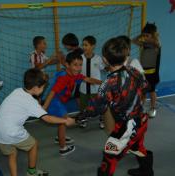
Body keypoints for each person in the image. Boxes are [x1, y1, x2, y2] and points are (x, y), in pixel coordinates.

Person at [78, 37, 153, 176]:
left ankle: (145, 171)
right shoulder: (134, 71)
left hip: (128, 125)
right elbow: (145, 87)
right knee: (137, 146)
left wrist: (81, 116)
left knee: (109, 155)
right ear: (126, 57)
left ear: (105, 60)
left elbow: (97, 107)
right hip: (142, 118)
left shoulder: (108, 83)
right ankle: (146, 171)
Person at [0, 68, 75, 176]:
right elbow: (47, 118)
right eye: (43, 87)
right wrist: (65, 120)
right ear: (35, 88)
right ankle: (32, 172)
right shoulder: (31, 102)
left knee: (12, 154)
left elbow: (35, 106)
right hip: (10, 131)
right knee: (33, 145)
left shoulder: (17, 91)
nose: (44, 89)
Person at [43, 50, 102, 156]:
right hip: (55, 102)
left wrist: (103, 83)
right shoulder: (63, 78)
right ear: (67, 65)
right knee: (64, 121)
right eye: (75, 65)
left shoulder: (75, 75)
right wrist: (44, 108)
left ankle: (60, 137)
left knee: (62, 122)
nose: (78, 68)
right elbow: (52, 92)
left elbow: (88, 79)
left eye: (80, 65)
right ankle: (63, 148)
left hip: (61, 101)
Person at [132, 22, 161, 118]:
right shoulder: (144, 44)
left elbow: (156, 41)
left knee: (152, 91)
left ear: (153, 35)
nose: (145, 37)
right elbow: (134, 40)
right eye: (144, 35)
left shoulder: (156, 45)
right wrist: (142, 35)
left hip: (152, 74)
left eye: (147, 35)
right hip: (144, 73)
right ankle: (141, 108)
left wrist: (153, 35)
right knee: (143, 92)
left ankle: (153, 108)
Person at [79, 35, 105, 129]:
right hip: (83, 87)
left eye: (86, 45)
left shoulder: (98, 58)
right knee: (83, 105)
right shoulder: (80, 58)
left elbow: (104, 68)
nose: (84, 47)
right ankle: (83, 119)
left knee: (99, 105)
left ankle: (102, 119)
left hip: (96, 88)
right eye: (83, 45)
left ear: (93, 46)